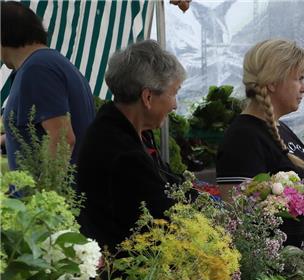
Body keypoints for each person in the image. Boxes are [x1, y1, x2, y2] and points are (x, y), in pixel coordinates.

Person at [76, 40, 186, 251]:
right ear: (147, 97)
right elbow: (162, 216)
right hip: (125, 264)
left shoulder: (127, 130)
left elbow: (170, 184)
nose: (175, 105)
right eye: (174, 93)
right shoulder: (121, 152)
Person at [216, 39, 304, 197]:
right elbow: (238, 208)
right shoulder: (243, 139)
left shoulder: (279, 128)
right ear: (272, 83)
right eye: (299, 78)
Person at [0, 1, 95, 168]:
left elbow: (63, 139)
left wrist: (43, 184)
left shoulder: (38, 69)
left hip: (51, 185)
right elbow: (39, 132)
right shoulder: (47, 63)